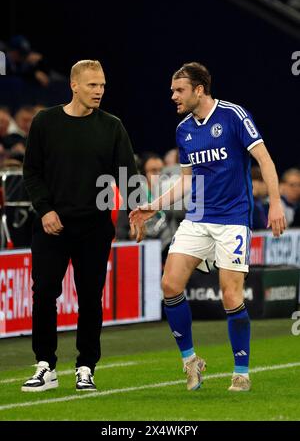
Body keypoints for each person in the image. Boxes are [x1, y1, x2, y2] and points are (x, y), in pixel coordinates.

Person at [130, 62, 286, 392]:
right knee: (170, 285)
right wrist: (152, 205)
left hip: (232, 220)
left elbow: (265, 160)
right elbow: (186, 182)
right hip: (198, 218)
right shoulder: (184, 130)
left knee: (231, 295)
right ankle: (191, 362)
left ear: (199, 89)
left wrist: (273, 203)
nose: (173, 96)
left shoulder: (233, 115)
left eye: (179, 90)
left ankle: (241, 370)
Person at [22, 59, 142, 392]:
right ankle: (45, 365)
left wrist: (139, 210)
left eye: (102, 85)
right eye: (92, 85)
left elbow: (128, 176)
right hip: (51, 227)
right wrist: (45, 210)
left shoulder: (112, 126)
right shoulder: (45, 122)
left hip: (94, 229)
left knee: (91, 298)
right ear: (74, 84)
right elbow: (31, 172)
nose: (99, 91)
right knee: (44, 294)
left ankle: (86, 366)